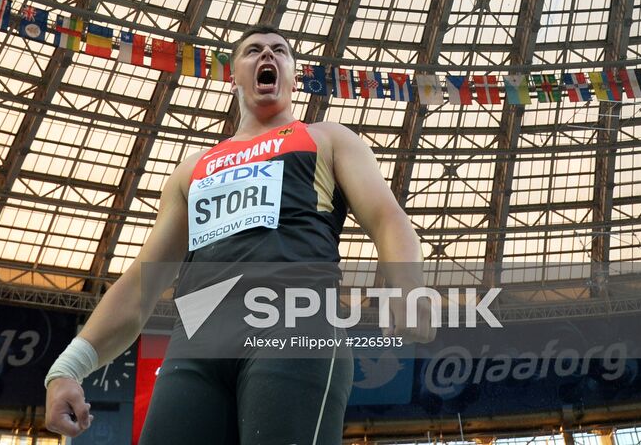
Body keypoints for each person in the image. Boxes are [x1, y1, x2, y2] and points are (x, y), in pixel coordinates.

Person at [44, 24, 431, 443]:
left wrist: (409, 285)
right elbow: (143, 280)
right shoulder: (193, 169)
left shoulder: (326, 138)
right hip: (197, 343)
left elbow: (386, 217)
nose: (268, 56)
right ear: (234, 74)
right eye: (254, 51)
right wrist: (67, 369)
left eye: (279, 51)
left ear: (292, 74)